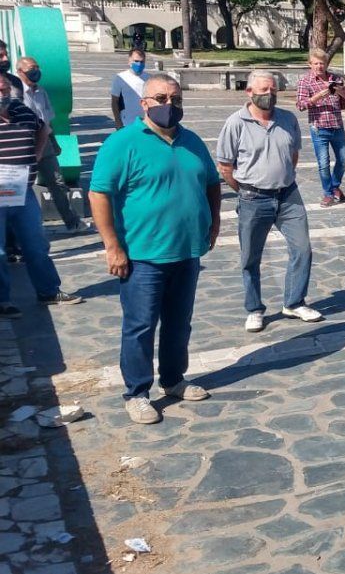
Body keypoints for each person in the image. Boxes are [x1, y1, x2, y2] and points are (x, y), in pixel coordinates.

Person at [89, 74, 218, 425]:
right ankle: (137, 392)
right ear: (144, 103)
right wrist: (112, 246)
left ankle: (173, 379)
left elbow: (211, 183)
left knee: (179, 324)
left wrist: (214, 221)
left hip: (187, 252)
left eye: (175, 99)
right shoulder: (122, 143)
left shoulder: (191, 141)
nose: (168, 106)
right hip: (143, 255)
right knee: (141, 326)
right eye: (160, 98)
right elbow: (98, 193)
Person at [216, 70, 322, 333]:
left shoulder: (287, 119)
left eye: (273, 90)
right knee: (250, 258)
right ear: (249, 92)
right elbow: (225, 166)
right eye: (263, 90)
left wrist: (283, 176)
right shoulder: (235, 123)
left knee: (303, 249)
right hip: (253, 197)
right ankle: (254, 309)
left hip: (288, 195)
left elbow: (293, 154)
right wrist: (244, 190)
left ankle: (294, 302)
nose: (269, 95)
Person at [0, 73, 81, 319]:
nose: (2, 94)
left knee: (35, 244)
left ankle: (48, 291)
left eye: (4, 90)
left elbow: (43, 129)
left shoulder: (22, 111)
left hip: (23, 193)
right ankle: (2, 301)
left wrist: (35, 156)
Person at [17, 56, 87, 233]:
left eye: (37, 67)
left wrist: (54, 141)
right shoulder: (13, 93)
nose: (36, 71)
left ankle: (72, 221)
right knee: (20, 188)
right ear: (20, 72)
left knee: (57, 182)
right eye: (32, 68)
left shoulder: (41, 92)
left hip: (45, 143)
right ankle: (21, 230)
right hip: (23, 146)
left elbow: (48, 120)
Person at [296, 49, 345, 207]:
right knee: (323, 163)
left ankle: (334, 186)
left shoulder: (335, 78)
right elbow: (300, 105)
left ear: (326, 64)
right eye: (316, 63)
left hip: (337, 125)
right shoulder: (305, 81)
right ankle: (328, 193)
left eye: (322, 63)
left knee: (344, 159)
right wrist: (320, 95)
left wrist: (341, 91)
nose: (319, 66)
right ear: (310, 64)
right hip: (319, 127)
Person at [111, 48, 149, 127]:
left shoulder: (149, 78)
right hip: (126, 123)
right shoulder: (120, 78)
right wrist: (118, 123)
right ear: (129, 61)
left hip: (145, 123)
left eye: (142, 62)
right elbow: (115, 102)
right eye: (136, 61)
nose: (139, 64)